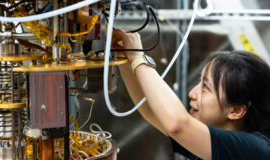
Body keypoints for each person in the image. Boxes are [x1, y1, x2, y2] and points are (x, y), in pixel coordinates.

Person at [112, 29, 270, 160]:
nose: (192, 93)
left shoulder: (256, 150)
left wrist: (138, 57)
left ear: (236, 111)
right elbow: (149, 109)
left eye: (205, 88)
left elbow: (177, 125)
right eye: (199, 82)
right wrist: (125, 57)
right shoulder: (206, 142)